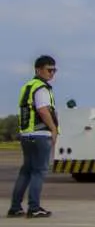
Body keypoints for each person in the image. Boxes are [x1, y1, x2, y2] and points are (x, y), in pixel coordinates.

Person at [10, 55, 58, 218]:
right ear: (38, 70)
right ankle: (34, 207)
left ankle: (15, 207)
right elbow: (43, 110)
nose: (52, 73)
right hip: (40, 134)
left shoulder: (27, 87)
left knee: (26, 172)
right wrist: (53, 129)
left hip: (26, 134)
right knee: (39, 171)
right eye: (49, 70)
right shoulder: (42, 88)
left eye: (54, 70)